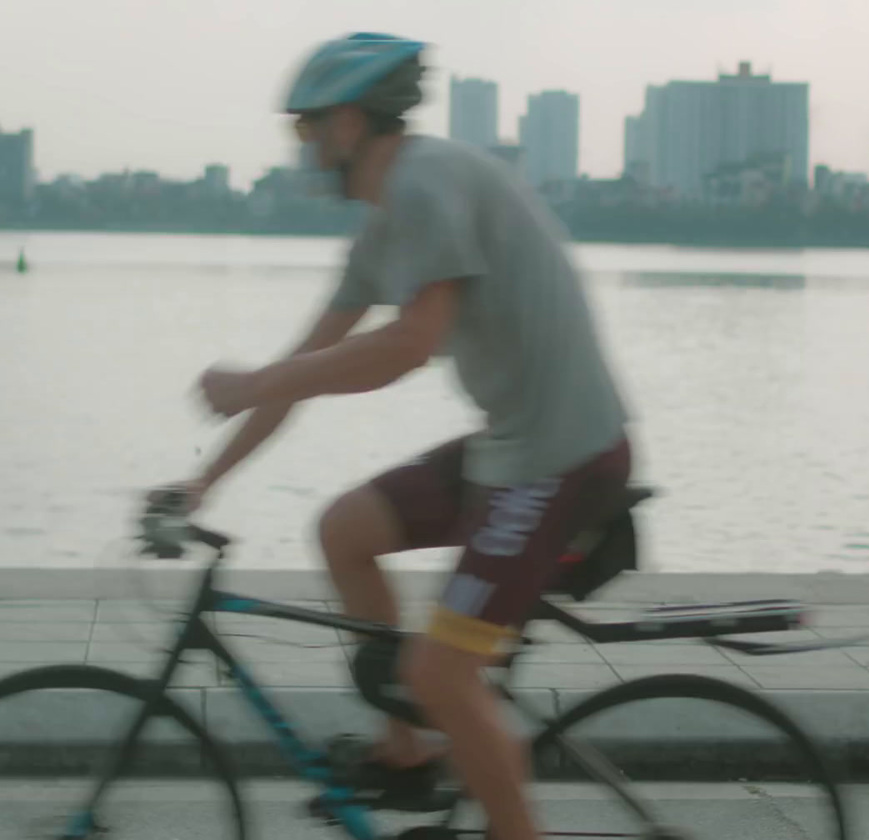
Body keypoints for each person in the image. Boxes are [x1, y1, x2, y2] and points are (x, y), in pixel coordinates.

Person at [179, 32, 632, 840]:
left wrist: (257, 382)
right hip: (513, 448)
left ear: (351, 122)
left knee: (442, 674)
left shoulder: (427, 185)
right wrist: (203, 483)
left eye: (308, 128)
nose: (306, 148)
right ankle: (410, 750)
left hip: (561, 458)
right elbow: (304, 367)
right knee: (344, 529)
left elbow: (406, 346)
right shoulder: (386, 223)